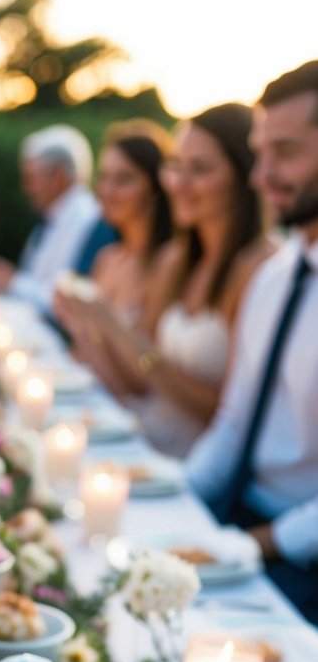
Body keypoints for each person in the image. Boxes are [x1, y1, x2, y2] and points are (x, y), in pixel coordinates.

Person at [61, 103, 275, 458]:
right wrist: (85, 326)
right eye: (175, 166)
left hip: (193, 462)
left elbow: (229, 414)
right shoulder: (176, 260)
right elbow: (137, 384)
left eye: (200, 169)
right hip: (145, 439)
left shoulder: (258, 268)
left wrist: (117, 330)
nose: (179, 183)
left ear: (243, 175)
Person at [187, 60, 318, 623]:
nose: (260, 177)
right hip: (238, 521)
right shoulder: (276, 272)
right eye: (260, 153)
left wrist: (258, 544)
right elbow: (234, 421)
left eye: (284, 153)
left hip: (299, 557)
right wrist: (178, 503)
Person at [53, 120, 174, 360]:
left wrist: (93, 324)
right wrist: (75, 322)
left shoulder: (166, 264)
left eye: (124, 179)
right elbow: (80, 355)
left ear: (155, 188)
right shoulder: (107, 259)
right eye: (104, 177)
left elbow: (142, 379)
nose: (107, 191)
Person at [0, 125, 115, 312]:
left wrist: (13, 282)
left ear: (58, 176)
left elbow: (69, 299)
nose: (26, 187)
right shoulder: (50, 220)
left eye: (31, 178)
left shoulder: (90, 221)